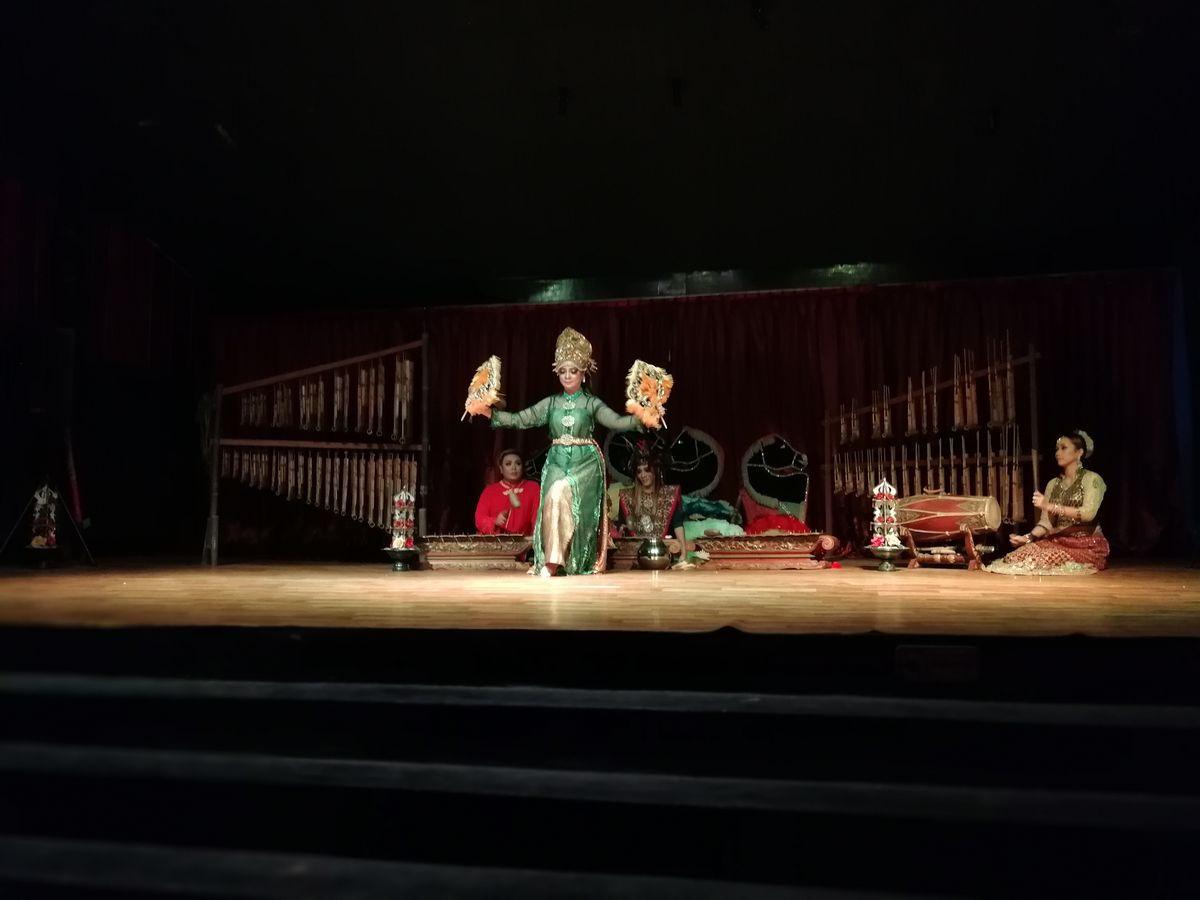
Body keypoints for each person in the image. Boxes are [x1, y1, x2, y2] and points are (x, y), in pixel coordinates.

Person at [479, 327, 645, 576]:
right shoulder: (551, 403)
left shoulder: (590, 403)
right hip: (556, 460)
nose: (567, 376)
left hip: (585, 462)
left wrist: (642, 417)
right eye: (563, 371)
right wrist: (491, 413)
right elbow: (520, 419)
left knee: (565, 496)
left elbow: (617, 422)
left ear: (583, 373)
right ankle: (553, 559)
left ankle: (563, 561)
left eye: (573, 371)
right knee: (553, 498)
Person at [985, 429, 1110, 575]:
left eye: (1063, 448)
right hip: (1058, 541)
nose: (1058, 453)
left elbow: (1088, 513)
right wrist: (1027, 538)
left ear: (1079, 452)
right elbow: (1046, 523)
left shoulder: (1092, 479)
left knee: (1040, 560)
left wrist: (1050, 506)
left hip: (1085, 545)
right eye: (1057, 449)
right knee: (1015, 557)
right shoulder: (1053, 484)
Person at [616, 441, 687, 550]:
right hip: (636, 552)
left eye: (647, 470)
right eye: (639, 471)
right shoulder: (627, 497)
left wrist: (683, 552)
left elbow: (678, 525)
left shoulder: (669, 494)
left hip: (663, 551)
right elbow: (622, 528)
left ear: (656, 470)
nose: (643, 475)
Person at [474, 448, 540, 536]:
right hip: (495, 541)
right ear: (501, 469)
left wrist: (534, 539)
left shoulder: (533, 487)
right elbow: (479, 519)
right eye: (508, 464)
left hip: (525, 541)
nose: (513, 468)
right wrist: (495, 521)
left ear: (522, 467)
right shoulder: (490, 491)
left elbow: (538, 518)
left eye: (518, 463)